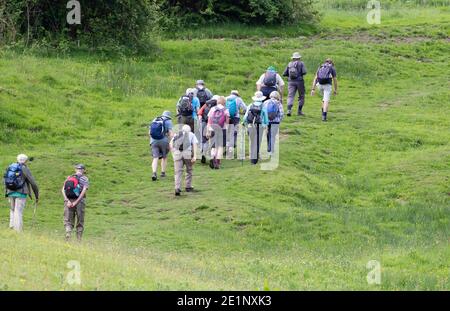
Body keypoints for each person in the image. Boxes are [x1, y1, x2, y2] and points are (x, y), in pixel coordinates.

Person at [4, 154, 39, 232]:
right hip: (21, 192)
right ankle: (18, 230)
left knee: (12, 209)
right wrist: (36, 195)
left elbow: (5, 179)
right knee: (18, 211)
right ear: (25, 161)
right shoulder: (24, 168)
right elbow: (32, 182)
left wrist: (6, 192)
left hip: (10, 192)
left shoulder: (10, 167)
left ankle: (11, 226)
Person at [62, 164, 89, 241]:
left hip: (68, 201)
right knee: (80, 219)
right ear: (84, 170)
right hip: (80, 202)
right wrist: (76, 201)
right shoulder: (85, 178)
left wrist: (67, 200)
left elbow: (63, 190)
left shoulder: (69, 178)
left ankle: (68, 232)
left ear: (75, 169)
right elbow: (83, 191)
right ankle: (79, 239)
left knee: (68, 219)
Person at [170, 124, 199, 196]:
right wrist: (195, 156)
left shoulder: (177, 134)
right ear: (189, 130)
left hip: (177, 153)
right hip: (187, 153)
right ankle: (188, 186)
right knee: (189, 170)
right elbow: (194, 144)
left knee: (178, 172)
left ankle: (177, 188)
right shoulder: (191, 134)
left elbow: (170, 144)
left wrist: (173, 153)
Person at [243, 91, 269, 165]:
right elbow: (266, 118)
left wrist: (244, 122)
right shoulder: (263, 106)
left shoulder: (250, 105)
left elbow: (245, 116)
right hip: (260, 126)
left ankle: (252, 156)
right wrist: (266, 125)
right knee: (258, 141)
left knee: (252, 141)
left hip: (251, 125)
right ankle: (255, 159)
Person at [149, 110, 174, 181]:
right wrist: (172, 141)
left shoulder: (155, 119)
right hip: (164, 141)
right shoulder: (168, 121)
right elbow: (171, 134)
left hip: (153, 141)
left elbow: (149, 132)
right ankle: (163, 173)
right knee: (164, 157)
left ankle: (154, 173)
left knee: (155, 157)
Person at [206, 96, 230, 169]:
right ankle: (217, 162)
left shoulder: (212, 109)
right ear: (224, 103)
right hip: (222, 129)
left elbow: (209, 120)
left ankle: (212, 157)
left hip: (212, 128)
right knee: (220, 146)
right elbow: (227, 121)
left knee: (213, 146)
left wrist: (208, 130)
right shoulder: (226, 110)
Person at [283, 52, 307, 116]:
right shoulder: (301, 63)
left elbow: (284, 73)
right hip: (300, 82)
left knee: (290, 96)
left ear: (293, 58)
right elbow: (304, 72)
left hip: (291, 82)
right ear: (299, 58)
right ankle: (299, 111)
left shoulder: (289, 64)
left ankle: (289, 110)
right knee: (301, 96)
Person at [225, 90, 247, 158]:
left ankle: (227, 148)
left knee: (228, 132)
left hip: (227, 117)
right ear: (237, 94)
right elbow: (245, 108)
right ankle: (231, 150)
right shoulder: (238, 99)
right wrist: (242, 112)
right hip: (235, 117)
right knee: (234, 133)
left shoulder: (226, 98)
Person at [198, 95, 219, 164]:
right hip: (213, 125)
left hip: (204, 123)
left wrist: (200, 121)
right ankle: (212, 157)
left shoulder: (206, 104)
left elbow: (199, 113)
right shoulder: (219, 106)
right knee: (213, 142)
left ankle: (203, 153)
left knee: (204, 140)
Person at [264, 91, 284, 155]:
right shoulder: (278, 103)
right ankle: (271, 150)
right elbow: (281, 113)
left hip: (267, 121)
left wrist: (264, 121)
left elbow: (263, 112)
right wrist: (279, 120)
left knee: (268, 135)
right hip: (275, 121)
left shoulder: (265, 102)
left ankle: (268, 148)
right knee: (272, 136)